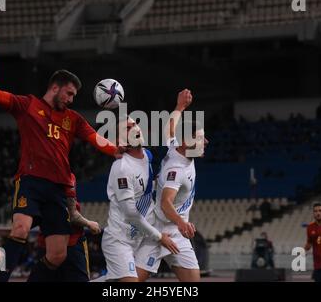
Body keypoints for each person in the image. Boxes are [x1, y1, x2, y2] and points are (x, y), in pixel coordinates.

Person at [0, 35, 123, 282]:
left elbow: (95, 138)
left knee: (57, 255)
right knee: (20, 228)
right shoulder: (27, 106)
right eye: (69, 93)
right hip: (31, 181)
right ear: (55, 87)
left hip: (59, 189)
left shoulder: (73, 118)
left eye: (74, 95)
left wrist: (116, 149)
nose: (71, 99)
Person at [135, 89, 208, 282]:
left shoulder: (176, 147)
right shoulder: (176, 171)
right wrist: (182, 222)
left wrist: (180, 106)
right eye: (200, 138)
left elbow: (169, 128)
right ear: (186, 141)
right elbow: (166, 203)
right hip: (159, 231)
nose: (205, 141)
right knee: (127, 284)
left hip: (177, 234)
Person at [101, 116, 179, 282]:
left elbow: (168, 139)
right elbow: (131, 215)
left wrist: (179, 108)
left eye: (135, 124)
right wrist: (159, 237)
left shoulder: (148, 156)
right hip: (119, 240)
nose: (135, 128)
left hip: (142, 238)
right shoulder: (122, 168)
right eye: (128, 128)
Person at [33, 173, 101, 282]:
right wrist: (89, 224)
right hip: (71, 243)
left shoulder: (33, 180)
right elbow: (73, 216)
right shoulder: (66, 176)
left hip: (47, 244)